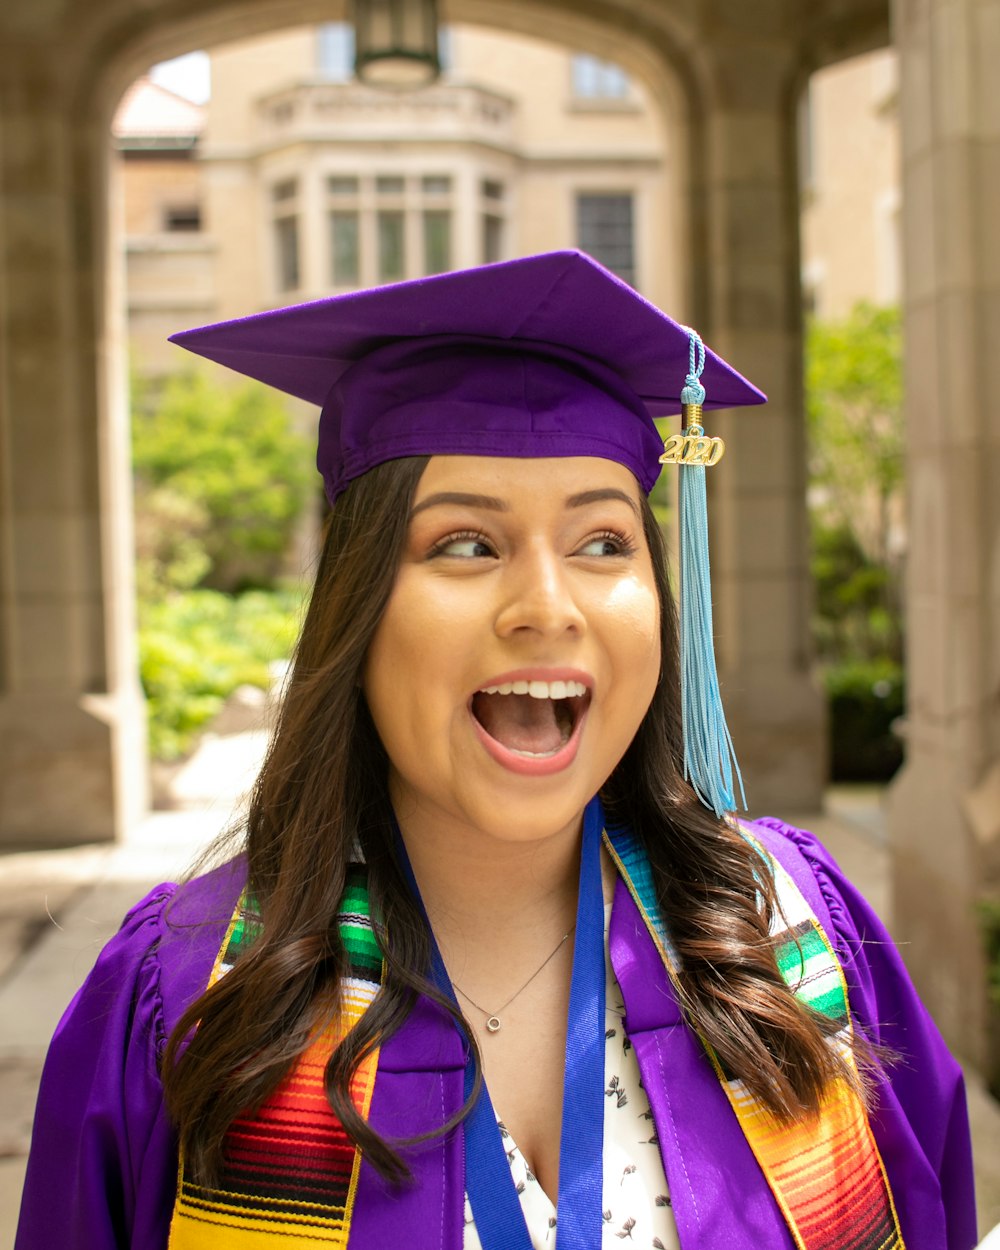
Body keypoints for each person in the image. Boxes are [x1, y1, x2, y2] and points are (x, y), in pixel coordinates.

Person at [16, 251, 976, 1250]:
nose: (547, 608)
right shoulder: (196, 992)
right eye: (465, 543)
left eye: (602, 541)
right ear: (357, 606)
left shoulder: (789, 932)